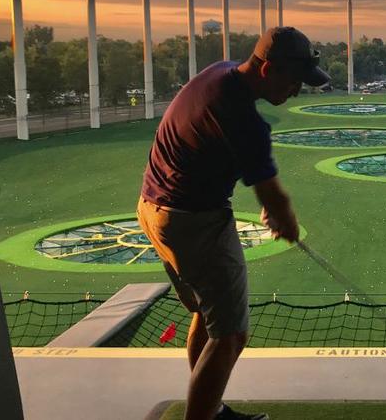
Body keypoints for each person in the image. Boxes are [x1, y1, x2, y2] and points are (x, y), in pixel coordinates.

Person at [137, 27, 329, 420]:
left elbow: (215, 153)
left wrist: (272, 206)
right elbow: (276, 198)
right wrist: (283, 218)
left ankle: (212, 410)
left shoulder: (218, 73)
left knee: (208, 317)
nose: (297, 90)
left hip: (153, 210)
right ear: (268, 70)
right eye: (294, 81)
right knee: (231, 334)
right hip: (193, 223)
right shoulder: (244, 119)